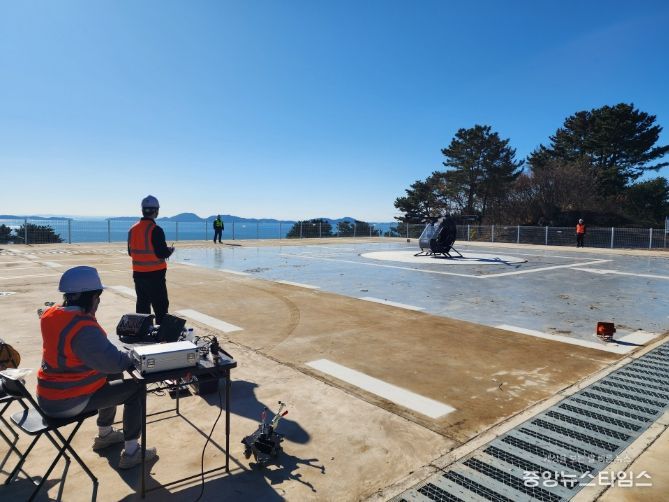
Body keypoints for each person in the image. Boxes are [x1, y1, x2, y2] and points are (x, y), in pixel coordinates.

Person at [36, 266, 157, 469]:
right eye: (98, 297)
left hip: (48, 394)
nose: (98, 302)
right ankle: (132, 452)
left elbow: (100, 361)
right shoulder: (82, 327)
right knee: (136, 390)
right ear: (92, 297)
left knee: (113, 374)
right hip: (66, 401)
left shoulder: (50, 315)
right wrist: (134, 354)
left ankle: (105, 434)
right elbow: (116, 362)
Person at [127, 195, 174, 324]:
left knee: (142, 305)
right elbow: (161, 253)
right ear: (156, 211)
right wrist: (169, 251)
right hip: (155, 275)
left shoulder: (132, 229)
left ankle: (143, 331)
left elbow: (131, 252)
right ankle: (161, 332)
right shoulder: (155, 229)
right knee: (160, 307)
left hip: (138, 274)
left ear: (142, 210)